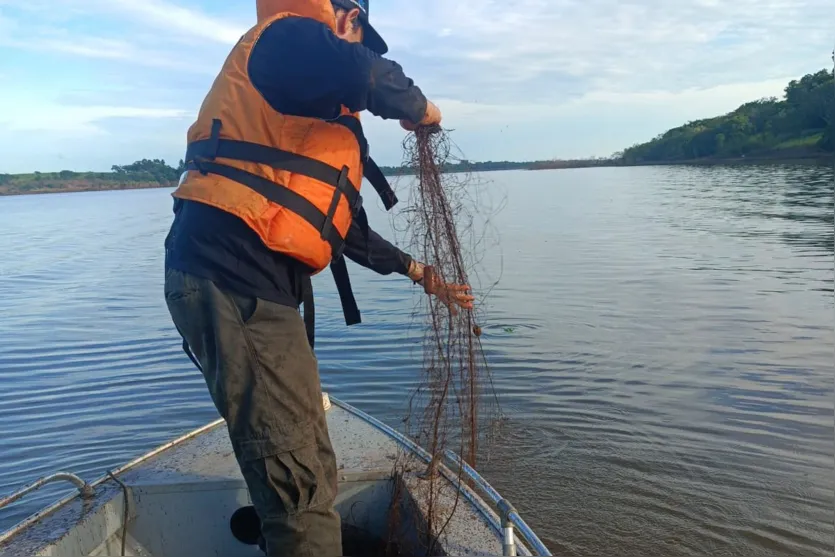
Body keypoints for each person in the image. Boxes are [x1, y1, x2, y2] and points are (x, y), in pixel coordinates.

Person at [162, 0, 474, 555]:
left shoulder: (309, 109)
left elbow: (348, 233)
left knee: (311, 460)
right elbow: (365, 74)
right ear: (346, 15)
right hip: (233, 279)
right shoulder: (287, 39)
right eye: (359, 34)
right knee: (296, 486)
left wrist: (426, 276)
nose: (359, 46)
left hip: (259, 293)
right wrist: (422, 109)